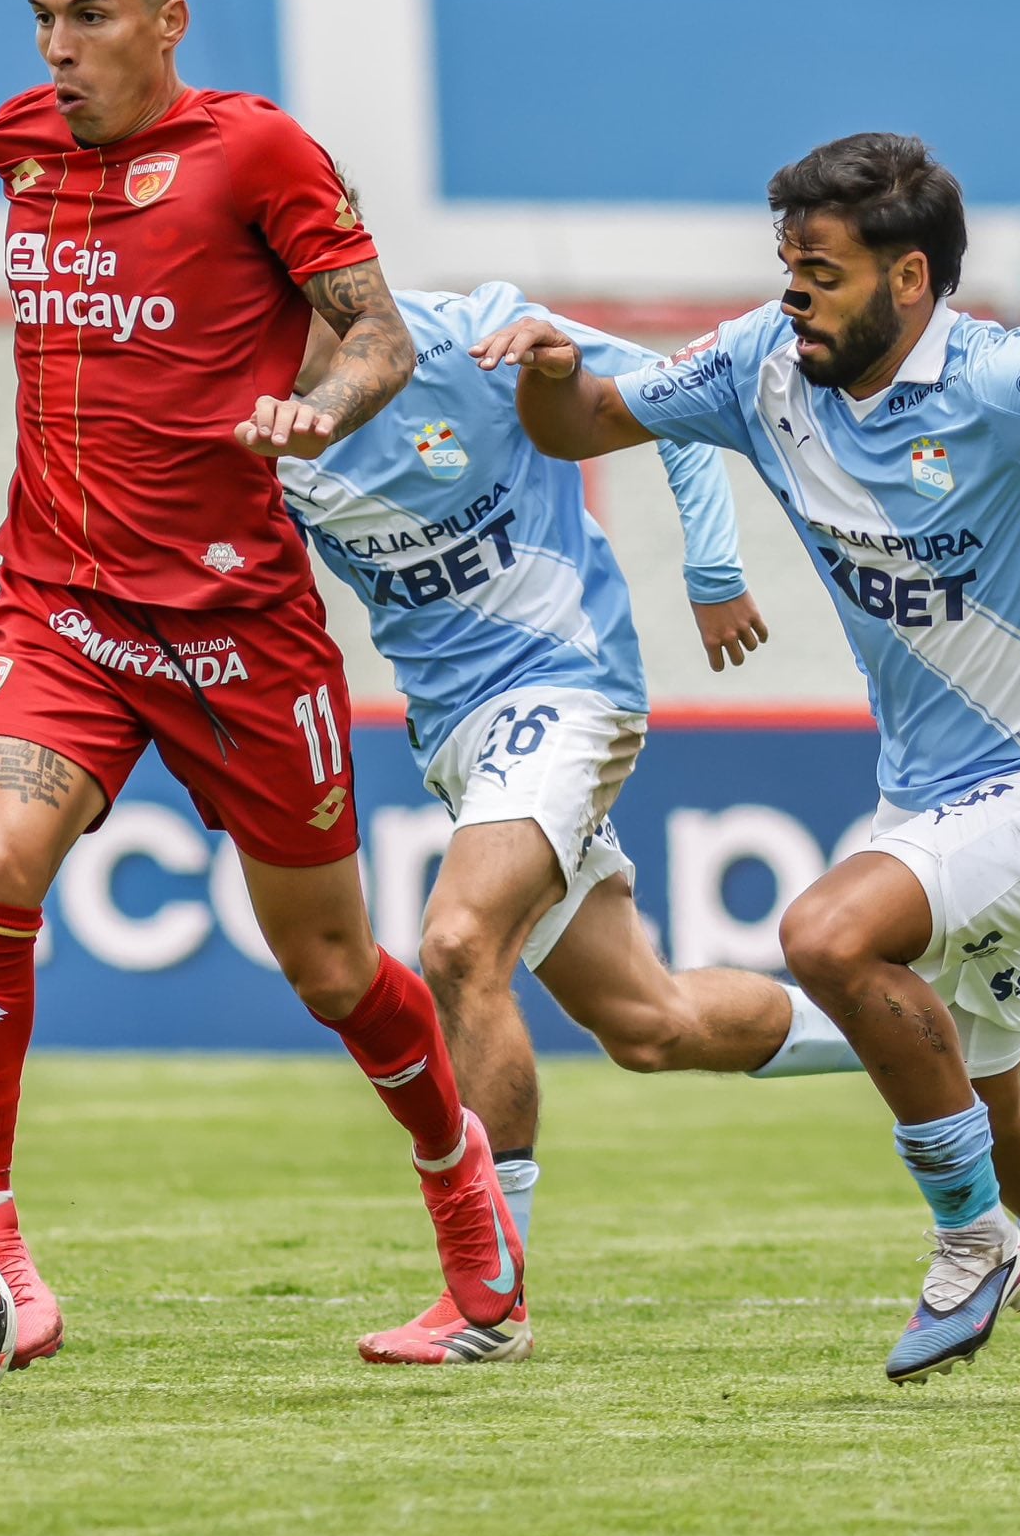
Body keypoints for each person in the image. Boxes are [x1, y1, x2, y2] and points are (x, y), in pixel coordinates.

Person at [476, 131, 1020, 1398]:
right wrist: (551, 370)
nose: (794, 295)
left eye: (824, 273)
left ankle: (972, 1246)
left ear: (912, 279)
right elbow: (580, 424)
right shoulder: (761, 361)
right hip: (929, 795)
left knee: (829, 934)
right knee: (995, 1109)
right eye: (787, 265)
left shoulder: (1012, 375)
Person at [0, 0, 521, 1369]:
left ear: (168, 20)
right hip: (60, 602)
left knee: (332, 971)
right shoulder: (17, 147)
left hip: (234, 622)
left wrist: (316, 411)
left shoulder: (255, 150)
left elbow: (375, 329)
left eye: (91, 18)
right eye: (44, 17)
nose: (58, 48)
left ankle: (461, 1196)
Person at [280, 282, 859, 1365]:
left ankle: (488, 1299)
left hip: (565, 684)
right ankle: (929, 1053)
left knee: (458, 941)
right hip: (459, 734)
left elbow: (676, 405)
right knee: (650, 1022)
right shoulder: (250, 407)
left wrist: (717, 569)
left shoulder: (472, 331)